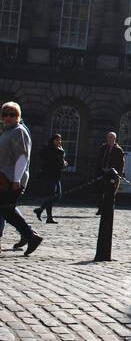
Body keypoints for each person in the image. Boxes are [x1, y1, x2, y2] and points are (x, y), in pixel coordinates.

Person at [0, 101, 42, 256]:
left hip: (12, 179)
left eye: (12, 114)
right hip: (4, 177)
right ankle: (30, 236)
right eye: (5, 114)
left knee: (7, 210)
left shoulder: (19, 131)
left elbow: (22, 157)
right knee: (7, 210)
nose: (8, 117)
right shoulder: (7, 131)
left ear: (18, 116)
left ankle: (31, 236)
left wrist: (17, 179)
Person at [33, 133, 67, 223]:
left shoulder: (59, 149)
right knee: (51, 196)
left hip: (57, 175)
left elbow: (60, 160)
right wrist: (62, 162)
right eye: (57, 140)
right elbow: (51, 160)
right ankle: (49, 217)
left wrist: (63, 162)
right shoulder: (49, 149)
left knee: (57, 195)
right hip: (49, 175)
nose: (59, 141)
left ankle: (40, 209)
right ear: (53, 140)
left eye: (60, 140)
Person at [94, 132, 125, 215]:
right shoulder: (103, 148)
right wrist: (97, 171)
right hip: (102, 172)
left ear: (114, 139)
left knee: (110, 193)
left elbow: (121, 164)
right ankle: (100, 208)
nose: (108, 139)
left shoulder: (118, 150)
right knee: (99, 191)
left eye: (110, 137)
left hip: (112, 174)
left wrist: (119, 175)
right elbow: (98, 160)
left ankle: (108, 210)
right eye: (108, 137)